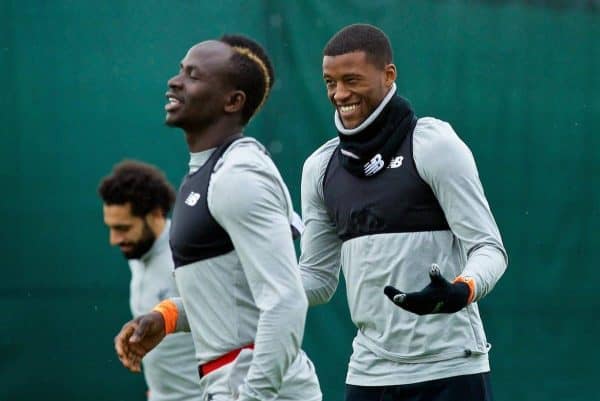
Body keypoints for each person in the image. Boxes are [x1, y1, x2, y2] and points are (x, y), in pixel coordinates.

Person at [299, 23, 507, 401]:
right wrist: (258, 286)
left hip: (450, 368)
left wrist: (462, 290)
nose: (339, 94)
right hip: (368, 373)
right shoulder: (320, 168)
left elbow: (489, 248)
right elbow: (316, 279)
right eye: (330, 82)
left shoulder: (433, 144)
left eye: (351, 80)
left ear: (388, 75)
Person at [113, 34, 322, 401]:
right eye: (180, 70)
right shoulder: (210, 172)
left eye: (193, 75)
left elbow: (286, 300)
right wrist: (167, 317)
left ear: (233, 101)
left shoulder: (239, 175)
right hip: (230, 383)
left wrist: (254, 395)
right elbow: (235, 298)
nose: (174, 81)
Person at [98, 160, 202, 401]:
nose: (114, 239)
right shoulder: (138, 252)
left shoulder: (186, 256)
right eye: (111, 228)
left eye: (123, 228)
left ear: (155, 214)